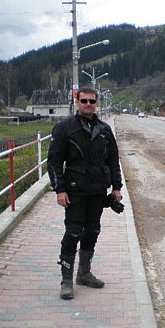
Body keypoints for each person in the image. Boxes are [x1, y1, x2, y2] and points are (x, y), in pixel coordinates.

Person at [47, 87, 123, 300]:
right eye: (84, 101)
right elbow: (53, 162)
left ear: (96, 103)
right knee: (72, 233)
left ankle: (84, 273)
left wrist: (116, 188)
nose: (88, 104)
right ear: (77, 102)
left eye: (92, 101)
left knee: (92, 231)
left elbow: (113, 160)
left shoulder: (105, 130)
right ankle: (66, 280)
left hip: (98, 191)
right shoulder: (64, 128)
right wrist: (59, 189)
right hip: (74, 191)